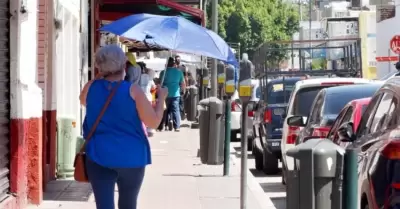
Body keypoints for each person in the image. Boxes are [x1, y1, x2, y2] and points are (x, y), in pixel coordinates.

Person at [79, 44, 168, 209]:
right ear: (123, 65)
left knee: (104, 205)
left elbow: (84, 101)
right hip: (132, 156)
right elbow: (153, 122)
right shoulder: (133, 91)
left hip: (99, 155)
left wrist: (100, 77)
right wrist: (161, 97)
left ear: (99, 65)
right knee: (128, 203)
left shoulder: (90, 87)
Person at [159, 57, 185, 132]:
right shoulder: (179, 72)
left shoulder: (163, 72)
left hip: (165, 93)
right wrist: (183, 90)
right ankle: (177, 127)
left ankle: (163, 126)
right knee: (175, 110)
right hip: (176, 94)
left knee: (164, 110)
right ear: (174, 64)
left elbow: (160, 83)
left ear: (167, 64)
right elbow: (183, 83)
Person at [140, 68, 157, 136]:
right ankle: (149, 128)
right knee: (148, 114)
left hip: (141, 98)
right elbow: (153, 89)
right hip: (149, 98)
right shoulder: (150, 79)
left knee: (141, 114)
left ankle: (142, 127)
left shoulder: (140, 77)